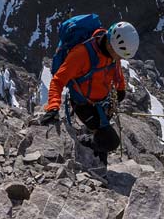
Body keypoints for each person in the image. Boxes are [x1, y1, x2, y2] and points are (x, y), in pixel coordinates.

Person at [35, 20, 140, 159]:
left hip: (103, 102)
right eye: (119, 55)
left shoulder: (112, 52)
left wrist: (120, 88)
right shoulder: (81, 54)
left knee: (103, 134)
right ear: (111, 45)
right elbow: (58, 80)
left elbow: (116, 68)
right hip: (83, 105)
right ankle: (83, 143)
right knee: (111, 142)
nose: (119, 58)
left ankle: (98, 155)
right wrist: (53, 107)